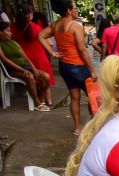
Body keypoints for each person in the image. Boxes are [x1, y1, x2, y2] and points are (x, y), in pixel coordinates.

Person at [38, 0, 97, 134]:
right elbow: (82, 49)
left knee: (75, 97)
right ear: (69, 11)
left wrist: (52, 52)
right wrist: (92, 70)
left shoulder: (55, 25)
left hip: (64, 66)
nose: (77, 10)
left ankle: (77, 128)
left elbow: (40, 35)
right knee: (93, 96)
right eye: (75, 8)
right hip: (78, 66)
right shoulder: (75, 26)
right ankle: (94, 126)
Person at [0, 20, 50, 111]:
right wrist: (22, 70)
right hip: (11, 70)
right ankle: (37, 103)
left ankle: (40, 98)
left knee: (46, 76)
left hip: (25, 67)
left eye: (10, 31)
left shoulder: (14, 43)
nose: (10, 33)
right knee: (30, 76)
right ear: (0, 32)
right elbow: (5, 59)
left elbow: (26, 58)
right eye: (7, 31)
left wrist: (34, 68)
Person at [11, 5, 54, 106]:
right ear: (30, 15)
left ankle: (41, 100)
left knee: (39, 80)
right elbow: (50, 43)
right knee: (46, 81)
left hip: (26, 59)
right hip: (39, 58)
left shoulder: (13, 28)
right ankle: (47, 100)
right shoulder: (36, 27)